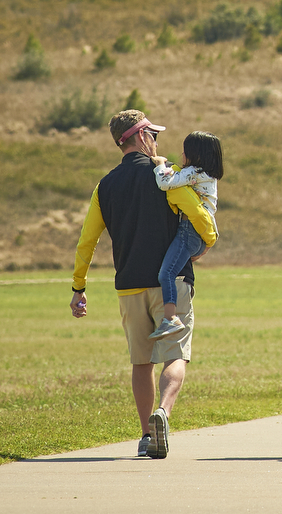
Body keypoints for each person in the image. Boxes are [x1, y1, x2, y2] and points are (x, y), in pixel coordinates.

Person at [70, 110, 218, 459]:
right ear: (140, 137)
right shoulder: (163, 175)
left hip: (129, 286)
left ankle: (146, 435)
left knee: (141, 362)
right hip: (172, 283)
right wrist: (209, 241)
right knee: (175, 355)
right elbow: (198, 214)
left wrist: (79, 286)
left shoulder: (104, 186)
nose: (157, 141)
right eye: (154, 134)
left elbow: (86, 240)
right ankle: (163, 412)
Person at [148, 132, 223, 339]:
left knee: (166, 273)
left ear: (195, 155)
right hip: (199, 235)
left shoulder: (194, 173)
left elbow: (165, 183)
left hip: (189, 230)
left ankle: (170, 318)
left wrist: (160, 164)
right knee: (171, 271)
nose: (182, 154)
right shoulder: (209, 175)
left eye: (185, 151)